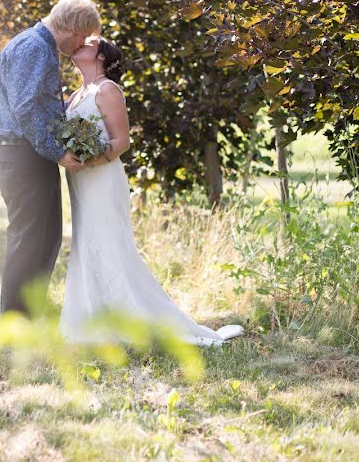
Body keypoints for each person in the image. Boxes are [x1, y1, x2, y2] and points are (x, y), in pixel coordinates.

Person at [60, 35, 245, 347]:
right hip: (80, 181)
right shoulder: (79, 93)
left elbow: (122, 141)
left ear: (102, 56)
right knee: (87, 244)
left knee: (108, 245)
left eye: (88, 43)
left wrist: (91, 159)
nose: (79, 43)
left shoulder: (107, 90)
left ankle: (133, 324)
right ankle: (93, 322)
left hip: (101, 179)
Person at [0, 0, 101, 315]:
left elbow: (38, 105)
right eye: (83, 37)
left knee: (45, 238)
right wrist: (57, 151)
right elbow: (26, 108)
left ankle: (28, 316)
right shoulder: (34, 48)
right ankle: (14, 322)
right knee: (29, 240)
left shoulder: (37, 46)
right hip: (25, 156)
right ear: (71, 28)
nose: (81, 45)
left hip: (30, 154)